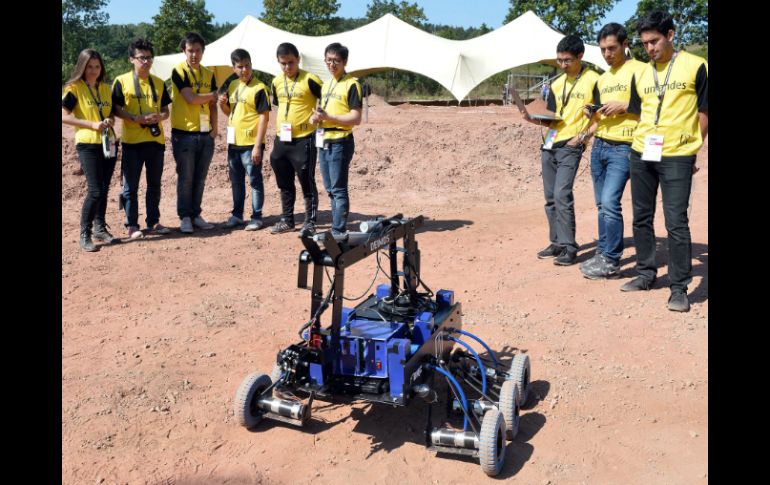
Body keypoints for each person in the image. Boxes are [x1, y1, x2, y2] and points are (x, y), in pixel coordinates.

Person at [620, 11, 708, 312]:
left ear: (670, 35)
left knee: (676, 222)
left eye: (654, 41)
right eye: (644, 44)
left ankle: (679, 287)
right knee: (641, 218)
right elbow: (636, 111)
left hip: (677, 155)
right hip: (642, 151)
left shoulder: (696, 66)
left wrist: (694, 147)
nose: (650, 49)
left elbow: (705, 112)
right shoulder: (641, 72)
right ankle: (645, 274)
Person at [521, 35, 600, 266]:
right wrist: (532, 118)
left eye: (567, 60)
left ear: (580, 56)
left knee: (562, 195)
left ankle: (569, 246)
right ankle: (556, 242)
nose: (563, 65)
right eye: (559, 61)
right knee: (549, 197)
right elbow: (553, 119)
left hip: (571, 146)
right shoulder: (556, 84)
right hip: (550, 143)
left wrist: (582, 137)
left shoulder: (595, 80)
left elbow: (601, 117)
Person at [579, 23, 647, 279]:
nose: (607, 54)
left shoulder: (641, 71)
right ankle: (603, 251)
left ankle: (611, 261)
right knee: (601, 205)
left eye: (612, 48)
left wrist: (625, 106)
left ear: (625, 44)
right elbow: (598, 119)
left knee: (610, 203)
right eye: (603, 50)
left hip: (624, 147)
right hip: (600, 147)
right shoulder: (602, 78)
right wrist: (588, 124)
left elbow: (653, 106)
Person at [112, 38, 172, 239]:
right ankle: (132, 224)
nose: (146, 61)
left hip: (155, 141)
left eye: (149, 58)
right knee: (131, 186)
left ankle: (153, 221)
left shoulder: (159, 83)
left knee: (154, 184)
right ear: (131, 59)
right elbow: (116, 108)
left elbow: (166, 111)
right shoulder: (121, 81)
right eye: (141, 58)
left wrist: (159, 117)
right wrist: (135, 118)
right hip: (132, 142)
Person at [62, 49, 119, 252]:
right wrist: (91, 124)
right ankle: (84, 234)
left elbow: (111, 114)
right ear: (82, 67)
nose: (93, 71)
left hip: (109, 142)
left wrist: (108, 121)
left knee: (103, 189)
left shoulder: (105, 88)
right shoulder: (74, 88)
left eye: (97, 67)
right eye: (89, 67)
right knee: (94, 190)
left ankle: (99, 228)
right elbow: (64, 115)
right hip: (87, 143)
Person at [268, 42, 322, 235]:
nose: (287, 67)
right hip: (282, 139)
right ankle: (287, 220)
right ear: (278, 62)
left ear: (298, 59)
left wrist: (319, 115)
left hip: (304, 139)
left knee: (306, 180)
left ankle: (310, 222)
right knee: (284, 181)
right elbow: (277, 104)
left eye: (291, 62)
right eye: (283, 63)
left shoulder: (310, 79)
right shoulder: (275, 82)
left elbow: (326, 99)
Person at [310, 43, 362, 241]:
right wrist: (316, 118)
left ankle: (338, 231)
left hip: (340, 141)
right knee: (331, 189)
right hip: (324, 140)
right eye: (329, 60)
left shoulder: (352, 85)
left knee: (338, 189)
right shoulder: (327, 84)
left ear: (345, 62)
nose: (332, 64)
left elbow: (355, 118)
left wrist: (329, 117)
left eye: (336, 61)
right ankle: (336, 228)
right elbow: (324, 112)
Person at [169, 32, 219, 234]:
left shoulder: (209, 74)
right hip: (184, 134)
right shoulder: (178, 71)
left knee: (200, 177)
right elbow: (190, 98)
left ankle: (196, 214)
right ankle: (185, 216)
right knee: (186, 177)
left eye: (198, 50)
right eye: (190, 50)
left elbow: (213, 105)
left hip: (206, 134)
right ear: (184, 51)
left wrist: (215, 129)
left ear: (203, 52)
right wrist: (212, 95)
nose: (194, 55)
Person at [218, 49, 271, 231]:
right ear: (233, 68)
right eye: (240, 67)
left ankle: (256, 217)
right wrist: (223, 105)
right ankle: (237, 215)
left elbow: (264, 118)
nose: (244, 70)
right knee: (237, 181)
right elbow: (230, 113)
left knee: (255, 181)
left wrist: (258, 146)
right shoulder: (232, 85)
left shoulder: (260, 88)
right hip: (234, 143)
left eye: (247, 65)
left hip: (251, 144)